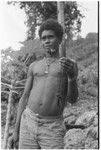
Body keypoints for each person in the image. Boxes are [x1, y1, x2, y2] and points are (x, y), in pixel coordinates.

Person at [9, 18, 78, 149]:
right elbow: (24, 97)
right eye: (43, 38)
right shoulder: (34, 66)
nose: (46, 41)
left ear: (60, 39)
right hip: (28, 121)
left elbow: (73, 99)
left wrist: (72, 77)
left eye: (50, 37)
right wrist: (16, 131)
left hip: (52, 127)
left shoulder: (68, 65)